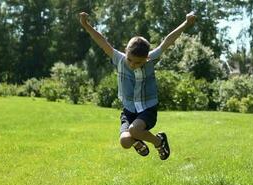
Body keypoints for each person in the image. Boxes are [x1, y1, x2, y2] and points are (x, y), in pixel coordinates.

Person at [79, 11, 196, 160]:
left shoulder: (151, 59)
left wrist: (186, 23)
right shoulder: (119, 59)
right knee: (125, 141)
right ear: (125, 52)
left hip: (147, 108)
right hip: (129, 110)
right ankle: (138, 142)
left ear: (146, 58)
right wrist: (86, 25)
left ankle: (159, 142)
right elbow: (102, 42)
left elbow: (167, 41)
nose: (133, 65)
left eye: (138, 62)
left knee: (134, 130)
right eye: (130, 60)